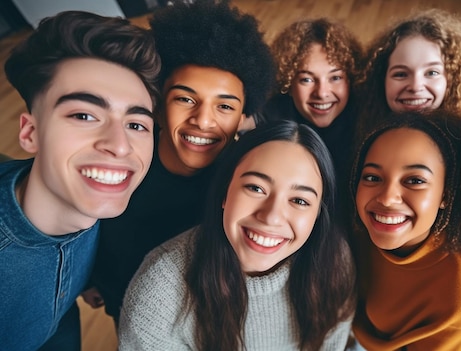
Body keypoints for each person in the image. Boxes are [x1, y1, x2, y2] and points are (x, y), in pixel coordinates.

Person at [82, 0, 275, 326]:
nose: (203, 121)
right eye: (186, 99)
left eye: (224, 107)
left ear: (243, 118)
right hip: (129, 308)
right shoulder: (117, 161)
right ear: (156, 104)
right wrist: (90, 279)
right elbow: (86, 221)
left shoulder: (246, 179)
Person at [117, 120, 356, 350]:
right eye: (255, 188)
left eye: (299, 200)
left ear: (316, 216)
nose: (271, 217)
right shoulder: (160, 291)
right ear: (225, 192)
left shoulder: (335, 261)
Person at [0, 11, 160, 351]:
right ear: (30, 132)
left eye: (136, 125)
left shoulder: (83, 193)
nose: (119, 145)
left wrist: (86, 278)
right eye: (84, 115)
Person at [350, 112, 461, 350]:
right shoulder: (354, 230)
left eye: (415, 180)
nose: (387, 198)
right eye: (372, 177)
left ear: (446, 194)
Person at [357, 8, 461, 137]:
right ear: (381, 80)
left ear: (453, 79)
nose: (415, 86)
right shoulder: (360, 133)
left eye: (431, 73)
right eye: (400, 74)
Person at [255, 18, 364, 183]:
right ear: (288, 82)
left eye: (335, 77)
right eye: (306, 79)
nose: (321, 93)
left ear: (350, 79)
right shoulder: (265, 121)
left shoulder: (367, 119)